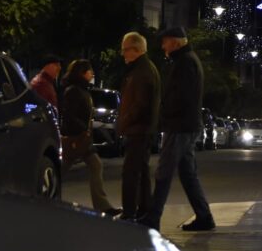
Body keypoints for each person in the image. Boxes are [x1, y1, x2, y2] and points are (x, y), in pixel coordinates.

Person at [138, 27, 215, 232]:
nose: (163, 46)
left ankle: (153, 217)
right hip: (185, 124)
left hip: (179, 125)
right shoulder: (187, 60)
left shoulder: (184, 62)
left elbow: (181, 97)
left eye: (165, 41)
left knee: (164, 171)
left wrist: (165, 115)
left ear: (175, 42)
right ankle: (204, 216)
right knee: (187, 173)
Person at [61, 59, 121, 217]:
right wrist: (82, 129)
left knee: (95, 165)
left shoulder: (82, 89)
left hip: (83, 138)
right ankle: (43, 193)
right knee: (63, 167)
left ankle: (103, 206)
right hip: (76, 137)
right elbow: (69, 115)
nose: (92, 74)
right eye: (89, 71)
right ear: (82, 73)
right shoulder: (74, 91)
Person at [117, 32, 160, 221]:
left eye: (125, 50)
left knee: (131, 172)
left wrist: (124, 121)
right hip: (142, 128)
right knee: (141, 170)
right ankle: (143, 208)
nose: (123, 54)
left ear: (137, 49)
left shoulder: (141, 72)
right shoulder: (144, 69)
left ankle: (129, 212)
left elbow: (140, 104)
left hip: (138, 129)